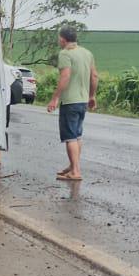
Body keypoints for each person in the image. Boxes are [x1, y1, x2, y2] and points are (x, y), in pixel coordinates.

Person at [47, 23, 97, 181]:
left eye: (59, 38)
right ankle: (73, 166)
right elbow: (94, 76)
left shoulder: (65, 54)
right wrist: (92, 96)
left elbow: (65, 76)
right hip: (83, 101)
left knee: (70, 137)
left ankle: (75, 171)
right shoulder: (87, 53)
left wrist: (55, 98)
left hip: (70, 101)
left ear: (63, 39)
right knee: (77, 136)